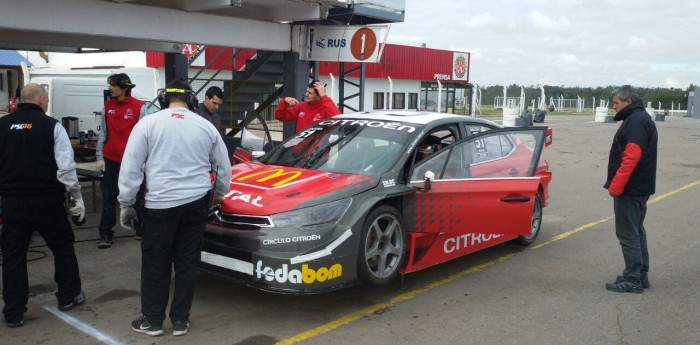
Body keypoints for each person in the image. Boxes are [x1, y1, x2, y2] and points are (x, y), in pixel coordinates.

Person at [118, 79, 231, 337]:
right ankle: (181, 321)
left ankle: (153, 321)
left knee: (155, 263)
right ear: (191, 100)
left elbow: (131, 167)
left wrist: (126, 202)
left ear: (163, 99)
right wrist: (218, 196)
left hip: (159, 205)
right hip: (195, 204)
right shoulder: (205, 125)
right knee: (187, 263)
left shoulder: (147, 124)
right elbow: (223, 168)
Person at [0, 84, 86, 328]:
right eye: (46, 98)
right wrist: (76, 198)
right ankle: (69, 296)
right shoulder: (52, 126)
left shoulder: (2, 126)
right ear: (40, 99)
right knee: (62, 247)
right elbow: (67, 168)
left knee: (13, 254)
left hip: (12, 202)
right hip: (47, 200)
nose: (47, 102)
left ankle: (14, 311)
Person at [604, 85, 658, 294]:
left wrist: (616, 186)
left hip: (631, 188)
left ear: (628, 102)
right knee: (636, 231)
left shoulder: (635, 121)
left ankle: (633, 278)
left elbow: (632, 155)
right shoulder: (641, 118)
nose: (614, 107)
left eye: (616, 103)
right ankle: (640, 274)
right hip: (640, 186)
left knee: (628, 233)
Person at [95, 73, 147, 248]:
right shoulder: (107, 105)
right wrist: (99, 157)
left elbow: (145, 136)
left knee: (138, 197)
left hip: (133, 162)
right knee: (109, 198)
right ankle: (105, 234)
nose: (109, 88)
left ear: (124, 88)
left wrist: (145, 159)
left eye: (113, 85)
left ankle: (141, 229)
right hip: (111, 160)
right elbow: (103, 133)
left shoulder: (140, 107)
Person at [275, 80, 340, 133]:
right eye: (306, 91)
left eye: (310, 93)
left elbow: (337, 119)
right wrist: (284, 101)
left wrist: (323, 95)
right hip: (300, 148)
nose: (306, 94)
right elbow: (280, 116)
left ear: (319, 95)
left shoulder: (326, 108)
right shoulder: (301, 106)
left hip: (318, 148)